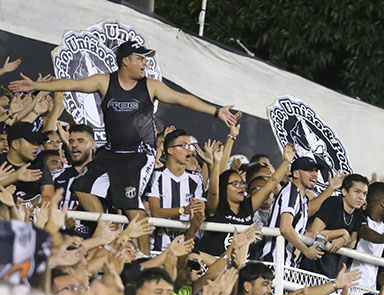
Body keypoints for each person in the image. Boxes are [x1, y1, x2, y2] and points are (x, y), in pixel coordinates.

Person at [9, 40, 237, 252]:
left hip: (140, 155)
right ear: (125, 60)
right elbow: (73, 83)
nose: (145, 63)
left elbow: (182, 99)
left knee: (131, 206)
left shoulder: (150, 86)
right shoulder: (104, 81)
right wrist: (37, 85)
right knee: (80, 186)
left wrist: (217, 111)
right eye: (140, 58)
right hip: (112, 152)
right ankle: (106, 236)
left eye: (146, 59)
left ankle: (143, 256)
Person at [146, 128, 206, 252]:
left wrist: (200, 211)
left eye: (190, 146)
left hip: (188, 241)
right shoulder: (155, 176)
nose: (189, 150)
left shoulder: (196, 179)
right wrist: (184, 210)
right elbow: (156, 212)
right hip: (159, 243)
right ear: (170, 150)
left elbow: (200, 213)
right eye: (184, 146)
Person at [299, 173, 368, 278]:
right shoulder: (333, 203)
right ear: (344, 191)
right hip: (312, 266)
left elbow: (351, 244)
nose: (361, 197)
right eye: (357, 192)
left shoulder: (358, 213)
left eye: (364, 194)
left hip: (332, 271)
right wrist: (342, 233)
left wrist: (343, 239)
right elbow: (314, 232)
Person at [52, 124, 96, 237]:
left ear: (93, 145)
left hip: (95, 242)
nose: (74, 145)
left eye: (80, 141)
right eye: (71, 141)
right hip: (61, 241)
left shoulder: (105, 178)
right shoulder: (57, 177)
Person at [0, 121, 53, 202]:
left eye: (38, 143)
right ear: (15, 144)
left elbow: (50, 199)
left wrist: (26, 204)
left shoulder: (39, 166)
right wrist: (15, 176)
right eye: (32, 142)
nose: (36, 147)